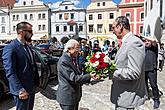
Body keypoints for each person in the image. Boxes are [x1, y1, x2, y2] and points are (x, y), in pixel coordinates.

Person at [110, 16, 147, 110]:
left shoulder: (134, 42)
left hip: (128, 98)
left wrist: (111, 72)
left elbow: (134, 72)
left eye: (113, 27)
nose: (112, 30)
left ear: (120, 26)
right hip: (122, 95)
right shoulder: (126, 42)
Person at [2, 22, 39, 110]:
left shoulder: (28, 47)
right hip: (22, 90)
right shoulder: (11, 48)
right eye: (30, 31)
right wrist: (20, 89)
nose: (32, 33)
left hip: (31, 88)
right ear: (21, 32)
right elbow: (10, 72)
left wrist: (36, 83)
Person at [56, 39, 97, 110]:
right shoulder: (64, 61)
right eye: (77, 48)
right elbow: (74, 78)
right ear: (69, 49)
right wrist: (89, 76)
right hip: (67, 97)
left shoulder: (72, 58)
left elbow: (78, 71)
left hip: (74, 96)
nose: (79, 50)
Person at [144, 37, 160, 109]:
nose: (147, 42)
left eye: (148, 41)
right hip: (144, 69)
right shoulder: (143, 48)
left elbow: (154, 42)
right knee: (145, 84)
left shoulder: (154, 48)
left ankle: (156, 99)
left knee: (153, 85)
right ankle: (147, 95)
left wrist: (148, 38)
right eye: (145, 41)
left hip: (152, 69)